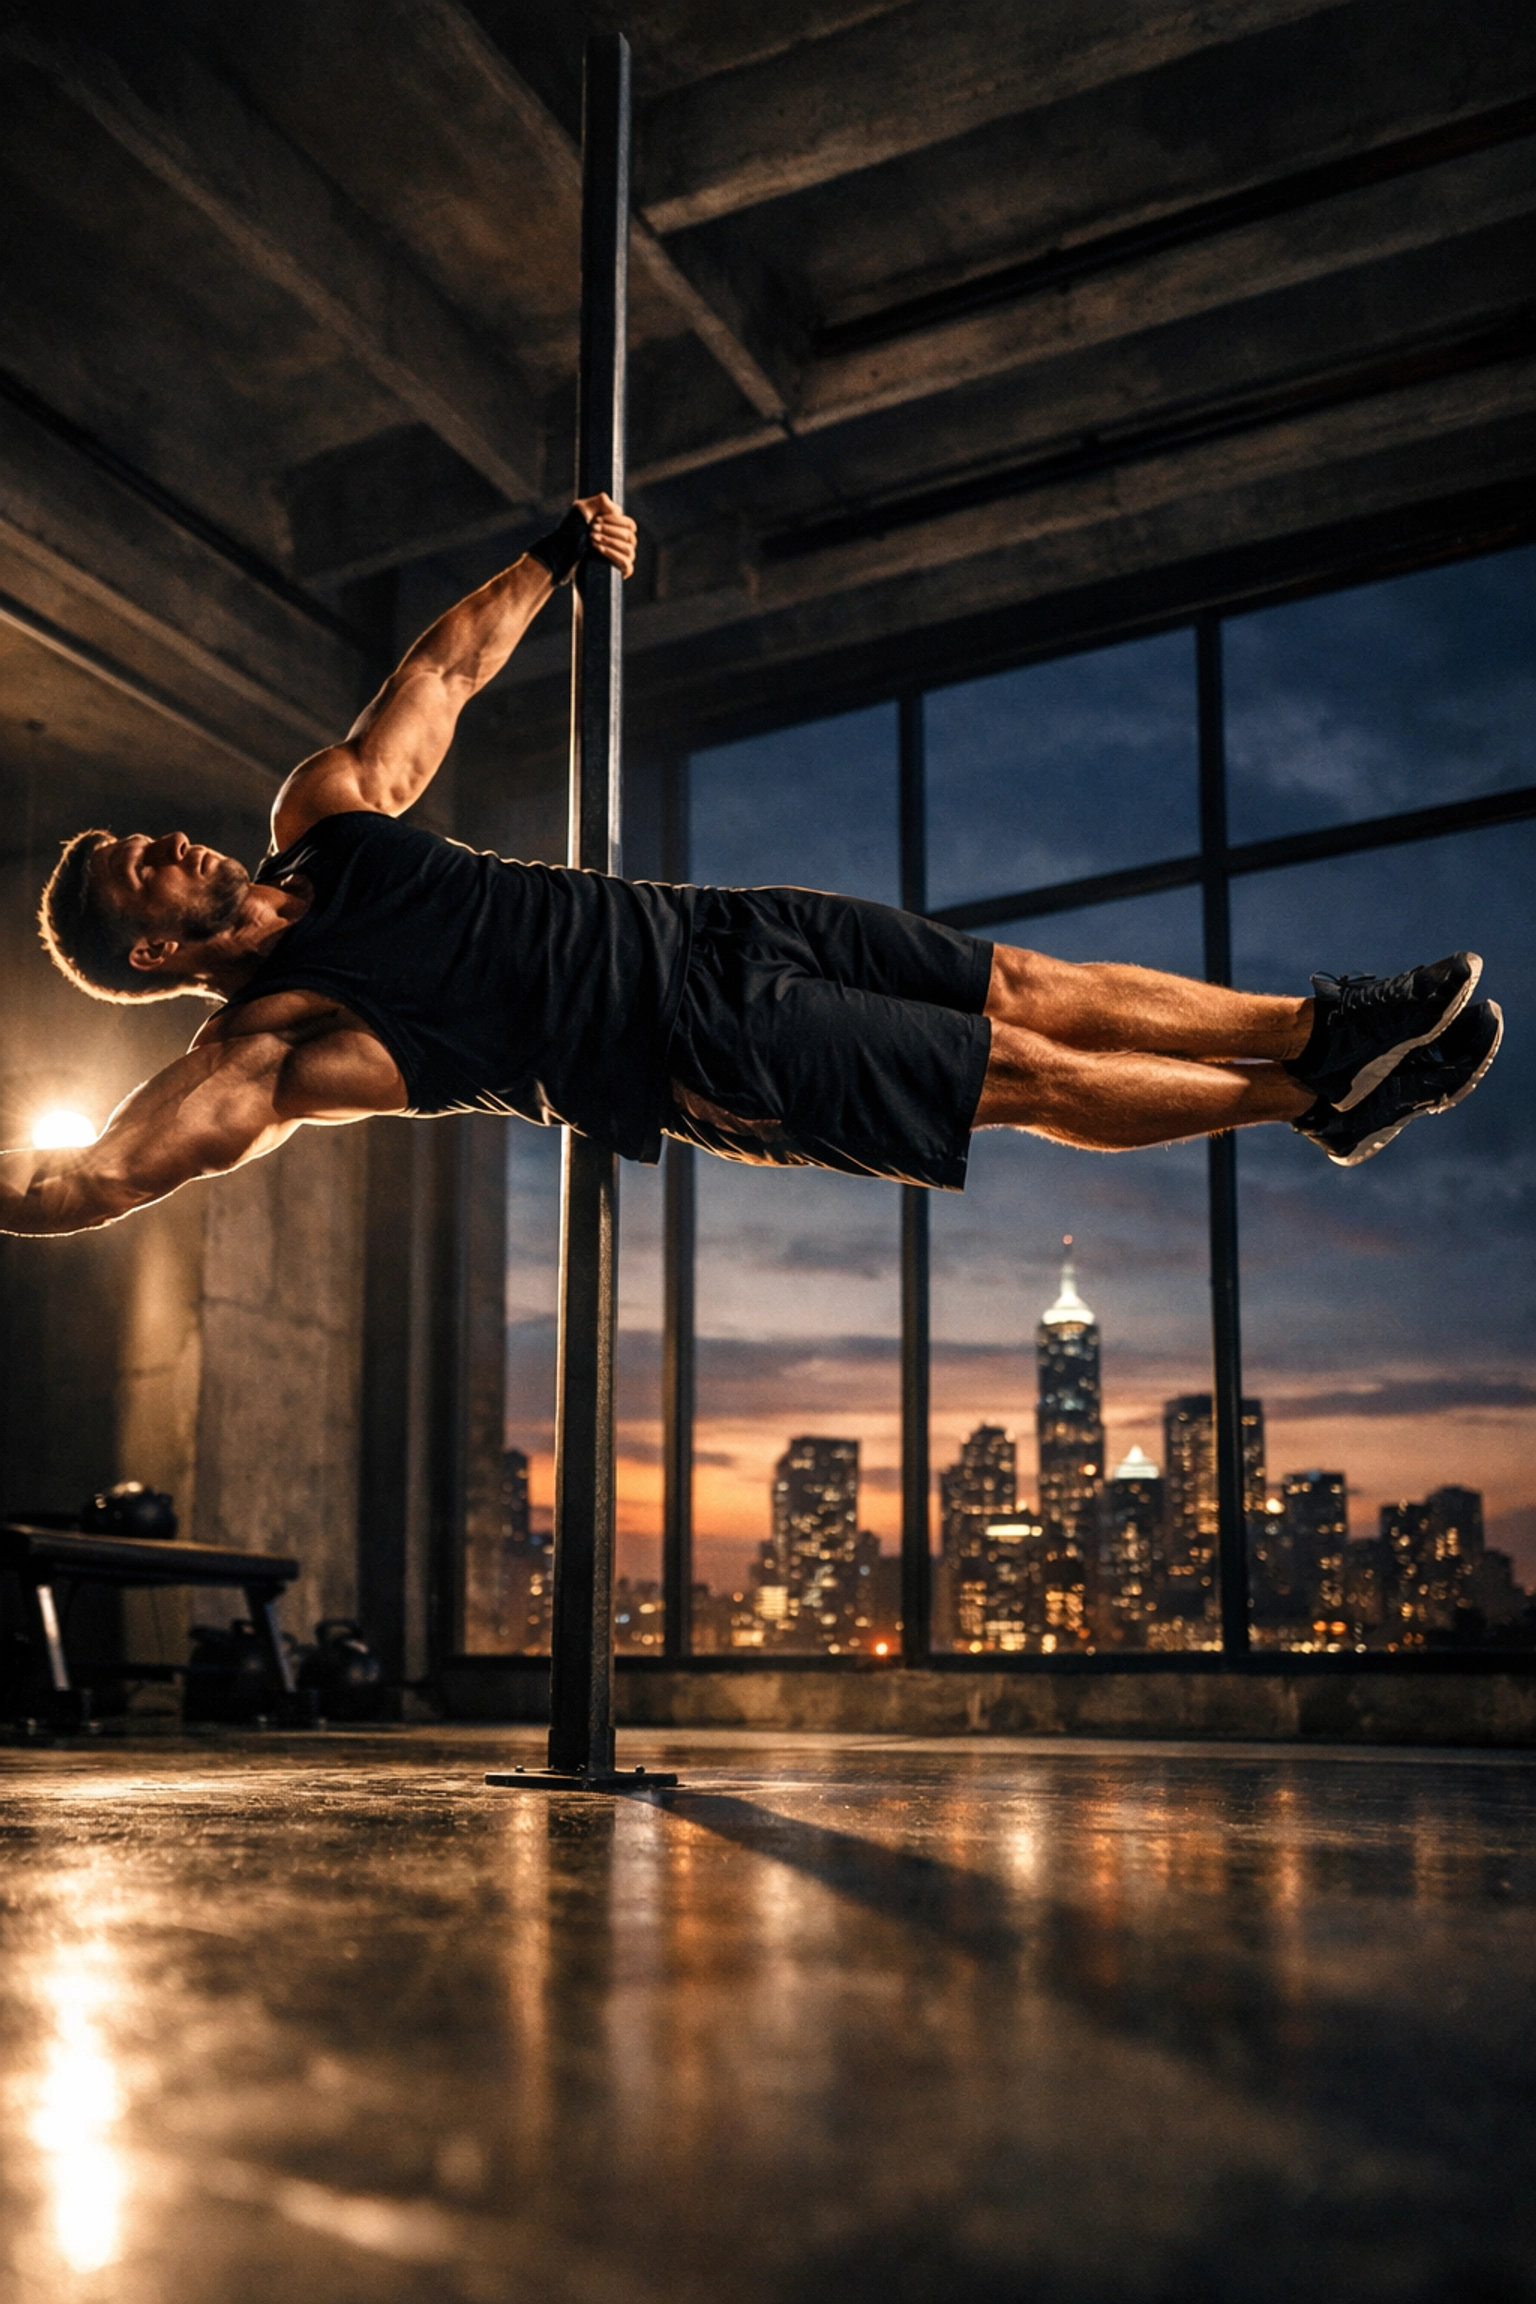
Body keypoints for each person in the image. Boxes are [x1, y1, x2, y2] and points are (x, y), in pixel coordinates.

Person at [3, 496, 1502, 1238]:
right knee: (1019, 1073)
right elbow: (103, 1178)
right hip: (698, 1049)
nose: (174, 840)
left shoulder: (322, 815)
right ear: (153, 951)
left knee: (1032, 981)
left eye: (150, 835)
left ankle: (1323, 1032)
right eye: (148, 868)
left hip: (719, 927)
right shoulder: (268, 1045)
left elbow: (442, 680)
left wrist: (549, 554)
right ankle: (1322, 1104)